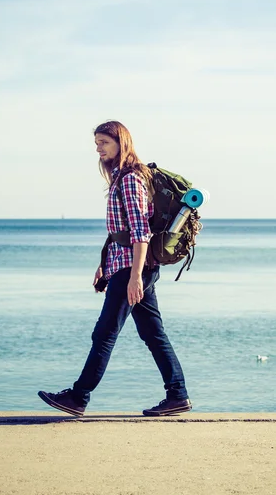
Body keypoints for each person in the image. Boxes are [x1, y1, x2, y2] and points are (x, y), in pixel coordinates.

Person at [38, 120, 191, 417]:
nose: (98, 148)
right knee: (153, 334)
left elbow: (139, 231)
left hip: (134, 269)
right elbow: (118, 232)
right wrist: (104, 266)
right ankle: (178, 395)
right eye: (96, 143)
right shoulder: (120, 178)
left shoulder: (131, 179)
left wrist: (134, 276)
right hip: (127, 267)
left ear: (121, 143)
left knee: (105, 333)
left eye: (104, 143)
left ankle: (78, 397)